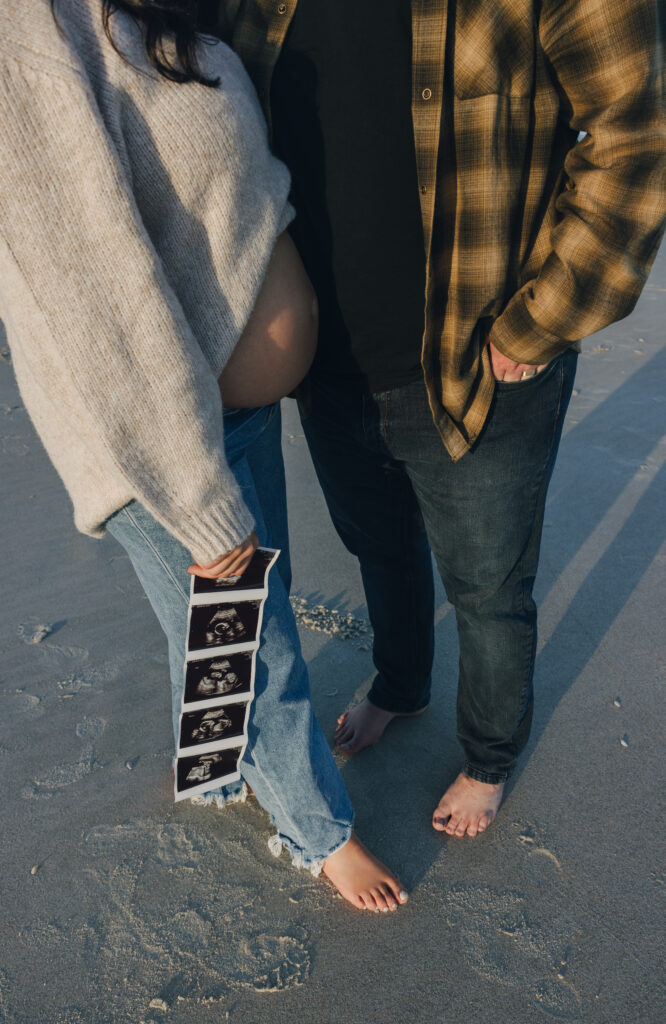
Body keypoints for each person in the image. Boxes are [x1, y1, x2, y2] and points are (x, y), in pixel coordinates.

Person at [0, 0, 410, 912]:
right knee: (257, 649)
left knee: (227, 632)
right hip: (167, 436)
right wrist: (194, 493)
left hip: (231, 406)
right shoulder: (29, 37)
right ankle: (318, 834)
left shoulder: (147, 9)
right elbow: (92, 284)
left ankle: (217, 771)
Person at [220, 0, 666, 837]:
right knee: (377, 543)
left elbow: (638, 134)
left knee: (489, 588)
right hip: (325, 360)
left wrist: (549, 316)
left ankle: (490, 757)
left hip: (484, 358)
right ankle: (401, 682)